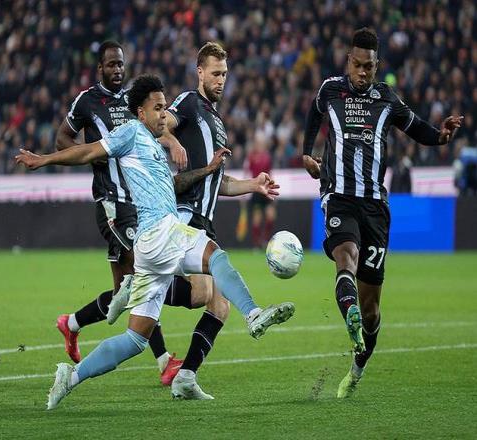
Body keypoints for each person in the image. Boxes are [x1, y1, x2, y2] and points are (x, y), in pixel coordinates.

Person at [16, 74, 295, 410]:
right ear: (140, 112)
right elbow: (87, 151)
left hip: (150, 246)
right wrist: (43, 159)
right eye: (158, 108)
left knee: (135, 339)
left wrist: (209, 170)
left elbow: (174, 186)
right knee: (214, 255)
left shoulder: (151, 145)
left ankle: (71, 376)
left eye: (165, 108)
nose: (164, 114)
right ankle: (253, 314)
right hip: (161, 231)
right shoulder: (131, 132)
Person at [108, 42, 282, 400]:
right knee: (203, 293)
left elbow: (219, 182)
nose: (221, 80)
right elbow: (158, 125)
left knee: (219, 305)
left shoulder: (217, 123)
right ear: (200, 72)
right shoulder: (188, 102)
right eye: (215, 73)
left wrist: (254, 185)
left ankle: (186, 376)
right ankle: (137, 285)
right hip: (186, 213)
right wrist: (171, 141)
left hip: (207, 216)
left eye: (224, 74)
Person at [302, 28, 462, 398]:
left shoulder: (386, 98)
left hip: (375, 207)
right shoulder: (330, 90)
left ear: (377, 66)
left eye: (369, 67)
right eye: (357, 65)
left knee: (372, 309)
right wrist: (307, 152)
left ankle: (357, 367)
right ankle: (350, 315)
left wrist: (441, 136)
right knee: (346, 257)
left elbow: (416, 128)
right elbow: (313, 114)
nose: (362, 72)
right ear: (348, 61)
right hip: (339, 197)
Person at [54, 40, 188, 385]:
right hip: (111, 202)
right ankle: (164, 360)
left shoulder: (133, 103)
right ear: (100, 67)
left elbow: (156, 130)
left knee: (123, 291)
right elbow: (62, 139)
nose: (117, 70)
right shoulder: (87, 101)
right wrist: (94, 155)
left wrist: (172, 141)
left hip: (139, 203)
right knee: (141, 271)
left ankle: (71, 323)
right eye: (111, 64)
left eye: (121, 65)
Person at [246, 136, 276, 248]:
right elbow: (247, 173)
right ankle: (256, 243)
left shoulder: (267, 157)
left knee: (271, 216)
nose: (260, 145)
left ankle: (266, 239)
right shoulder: (251, 157)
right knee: (257, 218)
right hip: (257, 190)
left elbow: (270, 173)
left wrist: (272, 187)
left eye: (261, 143)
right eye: (258, 143)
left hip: (266, 189)